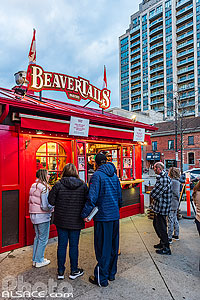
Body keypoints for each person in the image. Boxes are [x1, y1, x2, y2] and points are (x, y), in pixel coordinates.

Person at [81, 153, 122, 287]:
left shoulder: (97, 176)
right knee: (113, 246)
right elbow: (120, 197)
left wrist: (84, 214)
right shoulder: (114, 175)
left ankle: (101, 278)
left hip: (103, 216)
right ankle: (111, 273)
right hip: (114, 215)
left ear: (95, 163)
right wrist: (116, 209)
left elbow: (92, 197)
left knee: (102, 247)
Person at [48, 163, 88, 280]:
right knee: (74, 246)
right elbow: (88, 202)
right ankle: (74, 270)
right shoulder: (83, 185)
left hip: (61, 220)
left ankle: (60, 271)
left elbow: (50, 201)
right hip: (76, 220)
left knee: (61, 245)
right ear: (76, 172)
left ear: (64, 172)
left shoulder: (58, 185)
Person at [29, 169, 54, 268]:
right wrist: (52, 207)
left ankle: (35, 259)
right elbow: (44, 206)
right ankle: (39, 260)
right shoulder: (44, 188)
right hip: (42, 216)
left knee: (38, 237)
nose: (49, 176)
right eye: (48, 174)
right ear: (44, 175)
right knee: (43, 239)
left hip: (33, 215)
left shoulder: (33, 186)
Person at [150, 162, 172, 255]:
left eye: (154, 168)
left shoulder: (163, 179)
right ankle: (162, 242)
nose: (153, 169)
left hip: (162, 208)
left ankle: (166, 247)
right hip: (159, 207)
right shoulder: (162, 178)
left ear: (159, 168)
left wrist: (152, 193)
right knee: (156, 224)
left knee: (161, 227)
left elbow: (154, 194)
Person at [168, 167, 181, 244]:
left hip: (172, 203)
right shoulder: (177, 181)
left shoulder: (173, 182)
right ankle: (176, 235)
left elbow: (176, 193)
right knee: (174, 219)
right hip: (175, 203)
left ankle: (169, 238)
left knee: (170, 220)